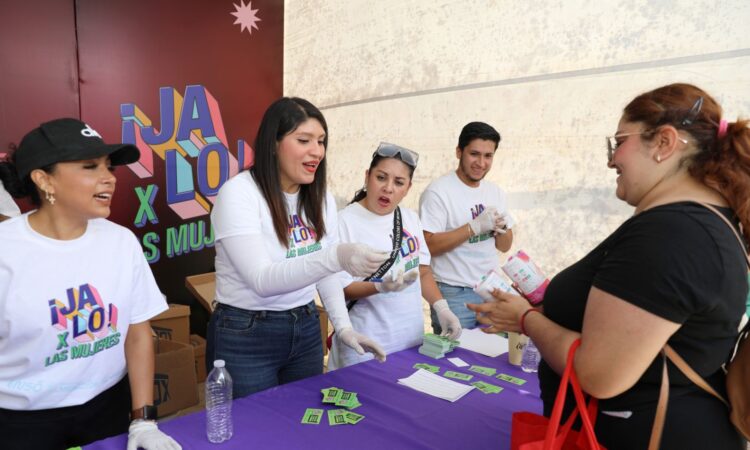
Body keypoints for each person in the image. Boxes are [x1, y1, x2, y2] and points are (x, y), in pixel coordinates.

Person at [469, 83, 747, 449]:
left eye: (619, 142)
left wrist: (526, 319)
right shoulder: (703, 224)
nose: (611, 160)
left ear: (664, 143)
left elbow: (598, 375)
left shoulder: (671, 233)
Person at [0, 118, 180, 449]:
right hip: (20, 424)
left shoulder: (121, 241)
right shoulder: (6, 250)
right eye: (89, 166)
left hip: (106, 410)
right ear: (44, 179)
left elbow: (137, 333)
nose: (109, 177)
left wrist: (143, 419)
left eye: (109, 166)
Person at [207, 97, 390, 397]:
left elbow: (325, 273)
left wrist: (343, 326)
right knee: (254, 423)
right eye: (304, 140)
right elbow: (262, 281)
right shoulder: (238, 194)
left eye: (321, 141)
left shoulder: (320, 197)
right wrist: (335, 256)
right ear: (273, 144)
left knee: (302, 416)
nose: (316, 151)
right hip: (246, 332)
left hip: (305, 326)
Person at [328, 143, 462, 370]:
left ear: (408, 188)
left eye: (399, 182)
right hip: (364, 346)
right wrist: (380, 287)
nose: (388, 188)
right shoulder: (343, 222)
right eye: (381, 178)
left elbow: (422, 270)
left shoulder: (410, 218)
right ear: (367, 176)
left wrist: (442, 308)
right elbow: (339, 289)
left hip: (410, 342)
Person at [419, 121, 515, 332]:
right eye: (474, 154)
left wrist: (502, 228)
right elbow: (428, 246)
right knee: (457, 350)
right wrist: (473, 227)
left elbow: (505, 246)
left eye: (488, 156)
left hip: (492, 289)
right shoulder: (438, 192)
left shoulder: (496, 192)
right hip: (454, 292)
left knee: (494, 350)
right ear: (459, 152)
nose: (481, 163)